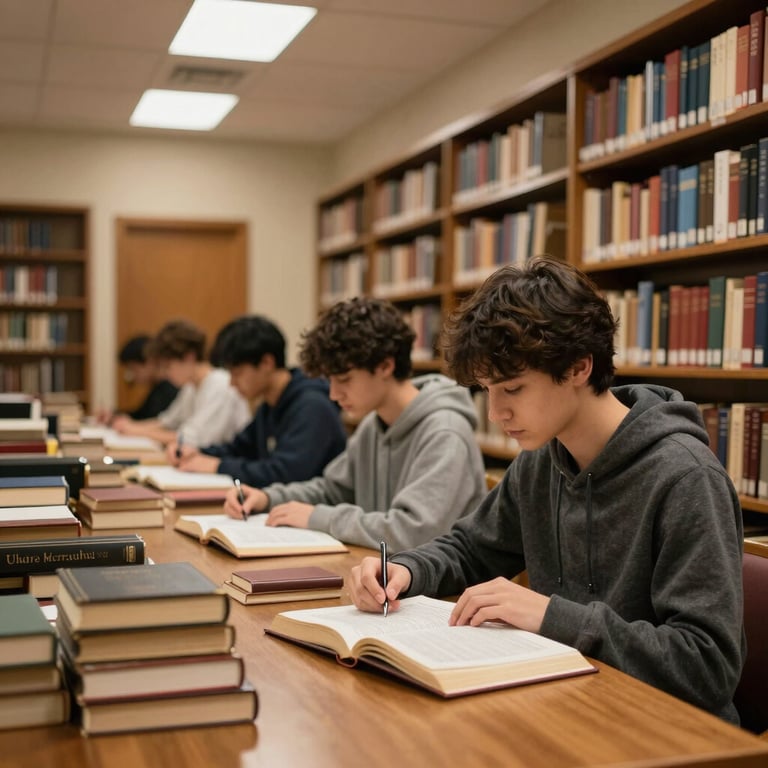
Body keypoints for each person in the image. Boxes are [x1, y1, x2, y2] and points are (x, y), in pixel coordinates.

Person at [349, 257, 745, 724]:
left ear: (579, 367)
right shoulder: (541, 460)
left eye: (513, 389)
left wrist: (550, 617)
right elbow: (472, 549)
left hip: (666, 730)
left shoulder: (686, 478)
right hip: (569, 705)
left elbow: (707, 665)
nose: (495, 413)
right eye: (487, 390)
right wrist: (404, 570)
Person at [224, 297, 486, 551]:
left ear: (385, 366)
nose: (333, 394)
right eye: (330, 380)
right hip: (383, 570)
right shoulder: (374, 424)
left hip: (442, 581)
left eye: (344, 379)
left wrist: (318, 518)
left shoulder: (445, 433)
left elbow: (413, 532)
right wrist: (268, 498)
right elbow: (332, 490)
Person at [167, 315, 347, 486]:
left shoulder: (312, 406)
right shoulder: (270, 404)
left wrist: (218, 466)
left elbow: (286, 474)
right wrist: (195, 453)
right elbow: (240, 448)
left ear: (266, 363)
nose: (231, 383)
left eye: (237, 373)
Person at [112, 319, 251, 447]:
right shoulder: (190, 387)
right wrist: (131, 426)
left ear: (189, 357)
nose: (166, 374)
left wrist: (135, 431)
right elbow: (167, 422)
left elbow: (192, 440)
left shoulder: (220, 385)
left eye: (168, 366)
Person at [112, 334, 179, 421]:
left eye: (133, 368)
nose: (132, 375)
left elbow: (153, 421)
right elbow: (141, 415)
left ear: (150, 361)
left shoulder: (169, 389)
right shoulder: (157, 387)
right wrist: (114, 416)